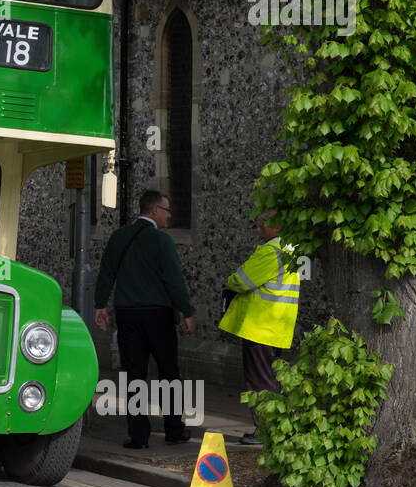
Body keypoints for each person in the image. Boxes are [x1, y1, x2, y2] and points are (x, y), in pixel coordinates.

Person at [94, 189, 197, 449]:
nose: (169, 215)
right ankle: (174, 428)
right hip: (158, 316)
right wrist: (187, 311)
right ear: (153, 211)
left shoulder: (119, 237)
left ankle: (139, 436)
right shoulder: (162, 241)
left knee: (134, 375)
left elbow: (106, 272)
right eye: (166, 210)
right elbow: (174, 281)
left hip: (128, 315)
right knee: (168, 373)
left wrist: (100, 305)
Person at [219, 210, 301, 444]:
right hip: (276, 326)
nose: (259, 226)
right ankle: (274, 427)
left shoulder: (271, 252)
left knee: (259, 381)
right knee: (271, 379)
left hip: (259, 326)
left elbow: (241, 280)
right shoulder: (290, 252)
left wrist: (231, 279)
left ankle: (266, 430)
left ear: (277, 227)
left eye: (264, 222)